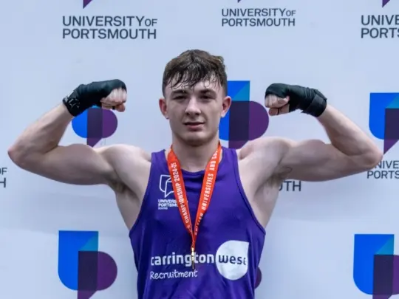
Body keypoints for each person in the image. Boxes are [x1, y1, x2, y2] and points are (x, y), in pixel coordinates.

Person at [8, 49, 382, 299]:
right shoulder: (134, 169)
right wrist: (79, 99)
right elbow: (25, 153)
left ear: (224, 105)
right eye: (181, 97)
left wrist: (313, 103)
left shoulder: (259, 164)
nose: (192, 108)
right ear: (163, 107)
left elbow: (365, 154)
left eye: (205, 96)